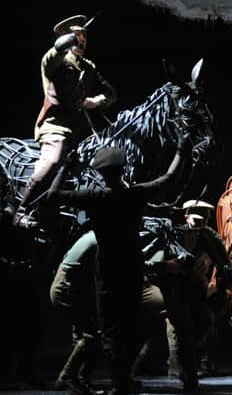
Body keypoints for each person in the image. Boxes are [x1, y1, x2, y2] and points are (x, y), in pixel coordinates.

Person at [47, 135, 191, 395]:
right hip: (132, 269)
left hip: (107, 271)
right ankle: (123, 380)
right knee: (130, 325)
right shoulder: (134, 195)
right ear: (123, 170)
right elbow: (169, 178)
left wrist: (66, 167)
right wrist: (181, 149)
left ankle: (119, 382)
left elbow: (53, 195)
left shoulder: (94, 197)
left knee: (111, 329)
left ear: (101, 173)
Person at [14, 14, 117, 228]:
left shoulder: (89, 67)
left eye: (84, 37)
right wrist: (68, 40)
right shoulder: (55, 62)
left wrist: (95, 101)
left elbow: (111, 94)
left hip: (78, 131)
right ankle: (21, 211)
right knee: (52, 161)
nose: (82, 41)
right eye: (77, 36)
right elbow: (52, 56)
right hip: (55, 127)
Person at [50, 231, 166, 395]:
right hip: (69, 286)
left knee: (89, 332)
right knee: (92, 333)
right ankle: (67, 377)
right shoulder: (104, 238)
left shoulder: (96, 234)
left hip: (73, 284)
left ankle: (80, 379)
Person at [162, 199, 231, 389]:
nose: (201, 224)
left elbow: (224, 262)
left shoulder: (209, 236)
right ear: (187, 217)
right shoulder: (173, 234)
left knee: (203, 321)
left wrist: (222, 282)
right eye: (197, 219)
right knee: (179, 326)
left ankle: (184, 364)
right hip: (174, 286)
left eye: (205, 220)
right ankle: (182, 369)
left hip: (196, 286)